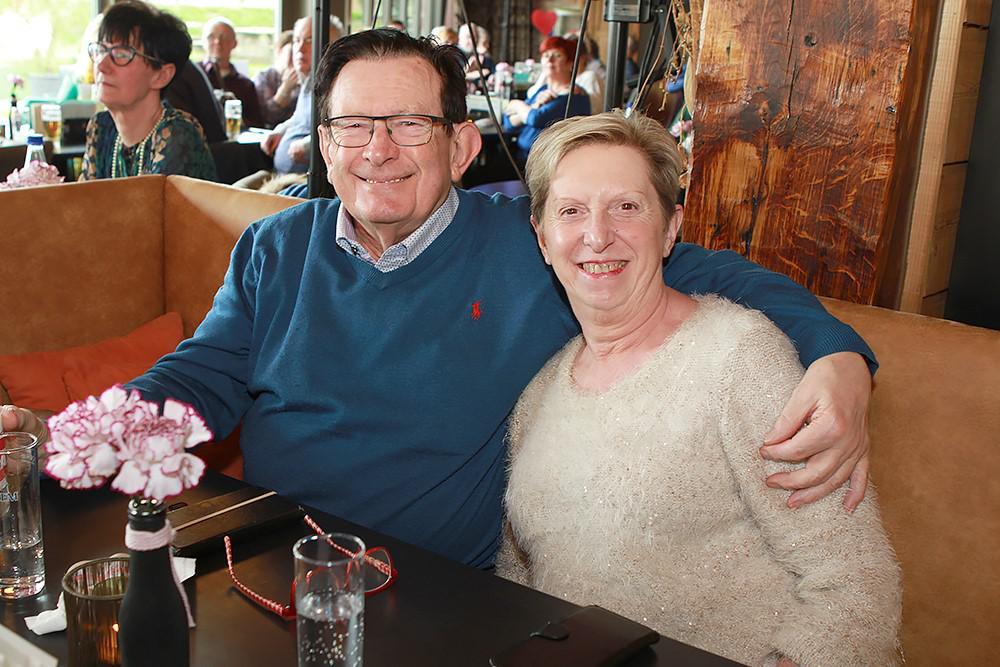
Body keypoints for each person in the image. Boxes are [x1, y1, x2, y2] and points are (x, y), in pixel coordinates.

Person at [4, 29, 876, 571]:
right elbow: (198, 381)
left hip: (436, 592)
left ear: (460, 146)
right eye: (353, 125)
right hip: (268, 564)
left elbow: (715, 272)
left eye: (409, 125)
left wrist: (840, 356)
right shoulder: (275, 248)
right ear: (324, 145)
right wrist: (59, 441)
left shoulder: (535, 248)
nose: (378, 149)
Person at [495, 111, 901, 666]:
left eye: (627, 207)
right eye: (571, 211)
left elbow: (857, 586)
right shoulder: (540, 394)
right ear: (543, 239)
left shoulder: (740, 360)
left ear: (670, 229)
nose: (597, 235)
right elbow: (519, 578)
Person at [79, 0, 216, 181]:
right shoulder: (100, 127)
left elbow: (150, 200)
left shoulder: (177, 133)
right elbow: (84, 196)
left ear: (161, 76)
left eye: (122, 55)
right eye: (101, 50)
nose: (102, 65)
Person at [261, 15, 344, 174]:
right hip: (279, 176)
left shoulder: (338, 84)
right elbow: (300, 119)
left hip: (306, 180)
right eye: (297, 40)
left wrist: (308, 146)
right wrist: (280, 131)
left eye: (309, 40)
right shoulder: (309, 79)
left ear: (332, 46)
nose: (300, 48)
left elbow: (342, 129)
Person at [503, 37, 590, 163]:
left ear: (570, 64)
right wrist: (535, 106)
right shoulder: (543, 89)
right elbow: (508, 123)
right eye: (546, 55)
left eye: (557, 55)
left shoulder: (574, 95)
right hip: (523, 157)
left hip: (547, 165)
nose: (549, 60)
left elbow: (535, 118)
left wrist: (517, 104)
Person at [199, 17, 263, 129]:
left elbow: (255, 124)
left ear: (234, 43)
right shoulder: (192, 75)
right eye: (211, 37)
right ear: (203, 41)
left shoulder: (245, 85)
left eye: (224, 38)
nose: (217, 42)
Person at [254, 30, 299, 129]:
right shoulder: (264, 78)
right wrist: (285, 89)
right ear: (279, 51)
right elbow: (266, 116)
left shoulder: (306, 78)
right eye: (291, 52)